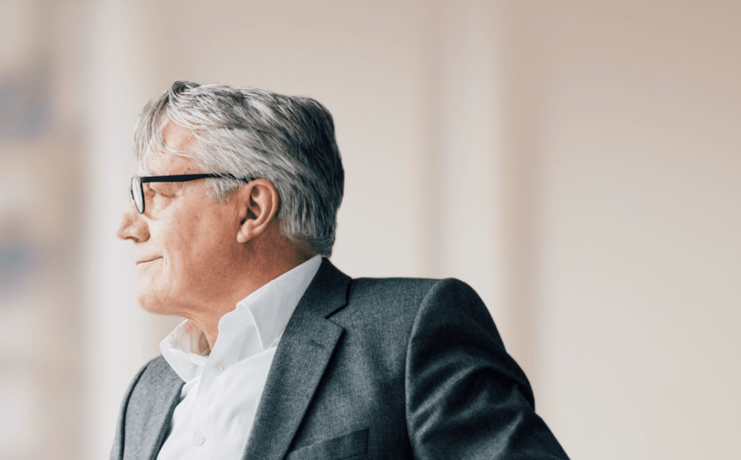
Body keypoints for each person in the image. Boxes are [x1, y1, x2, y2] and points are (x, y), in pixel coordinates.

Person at [110, 81, 567, 460]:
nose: (127, 227)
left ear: (252, 209)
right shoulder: (147, 394)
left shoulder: (408, 334)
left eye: (156, 195)